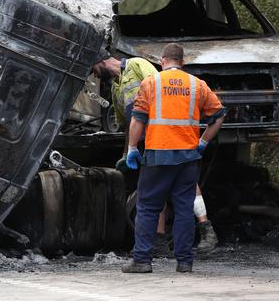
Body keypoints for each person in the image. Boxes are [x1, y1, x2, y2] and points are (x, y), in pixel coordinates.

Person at [91, 50, 219, 256]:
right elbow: (129, 124)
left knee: (183, 187)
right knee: (157, 191)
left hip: (167, 136)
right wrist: (128, 152)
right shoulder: (115, 88)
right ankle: (160, 240)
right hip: (149, 142)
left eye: (93, 69)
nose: (94, 75)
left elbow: (162, 89)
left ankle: (206, 231)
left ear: (101, 61)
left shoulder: (137, 65)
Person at [121, 43, 225, 274]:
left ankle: (142, 261)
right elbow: (218, 116)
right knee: (184, 209)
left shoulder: (151, 82)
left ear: (162, 60)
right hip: (188, 157)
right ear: (183, 62)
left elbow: (137, 119)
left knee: (148, 208)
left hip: (158, 156)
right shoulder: (197, 85)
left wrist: (132, 148)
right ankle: (185, 262)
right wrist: (202, 143)